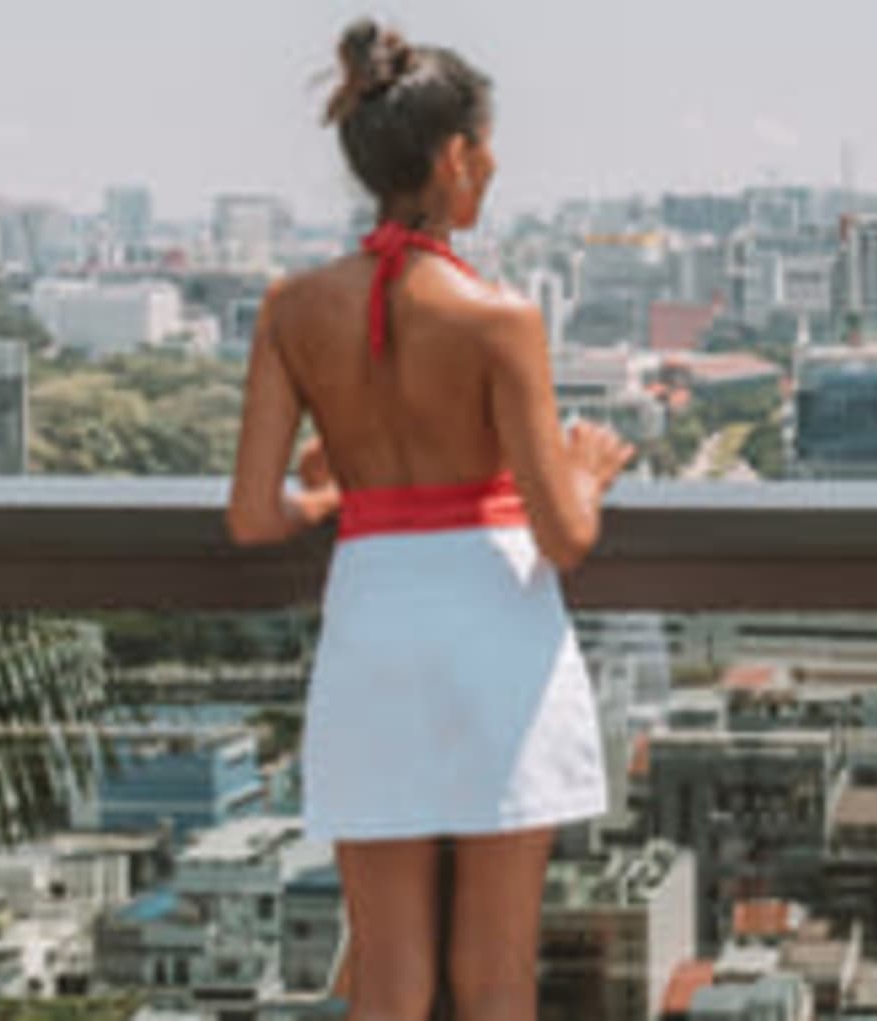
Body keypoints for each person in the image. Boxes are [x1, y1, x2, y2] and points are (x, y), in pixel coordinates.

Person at [225, 18, 636, 1021]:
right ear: (455, 157)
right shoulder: (500, 317)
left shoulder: (294, 307)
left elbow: (250, 516)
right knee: (496, 973)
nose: (490, 166)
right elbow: (565, 536)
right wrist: (586, 468)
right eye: (484, 147)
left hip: (374, 628)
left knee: (389, 973)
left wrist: (334, 496)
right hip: (495, 633)